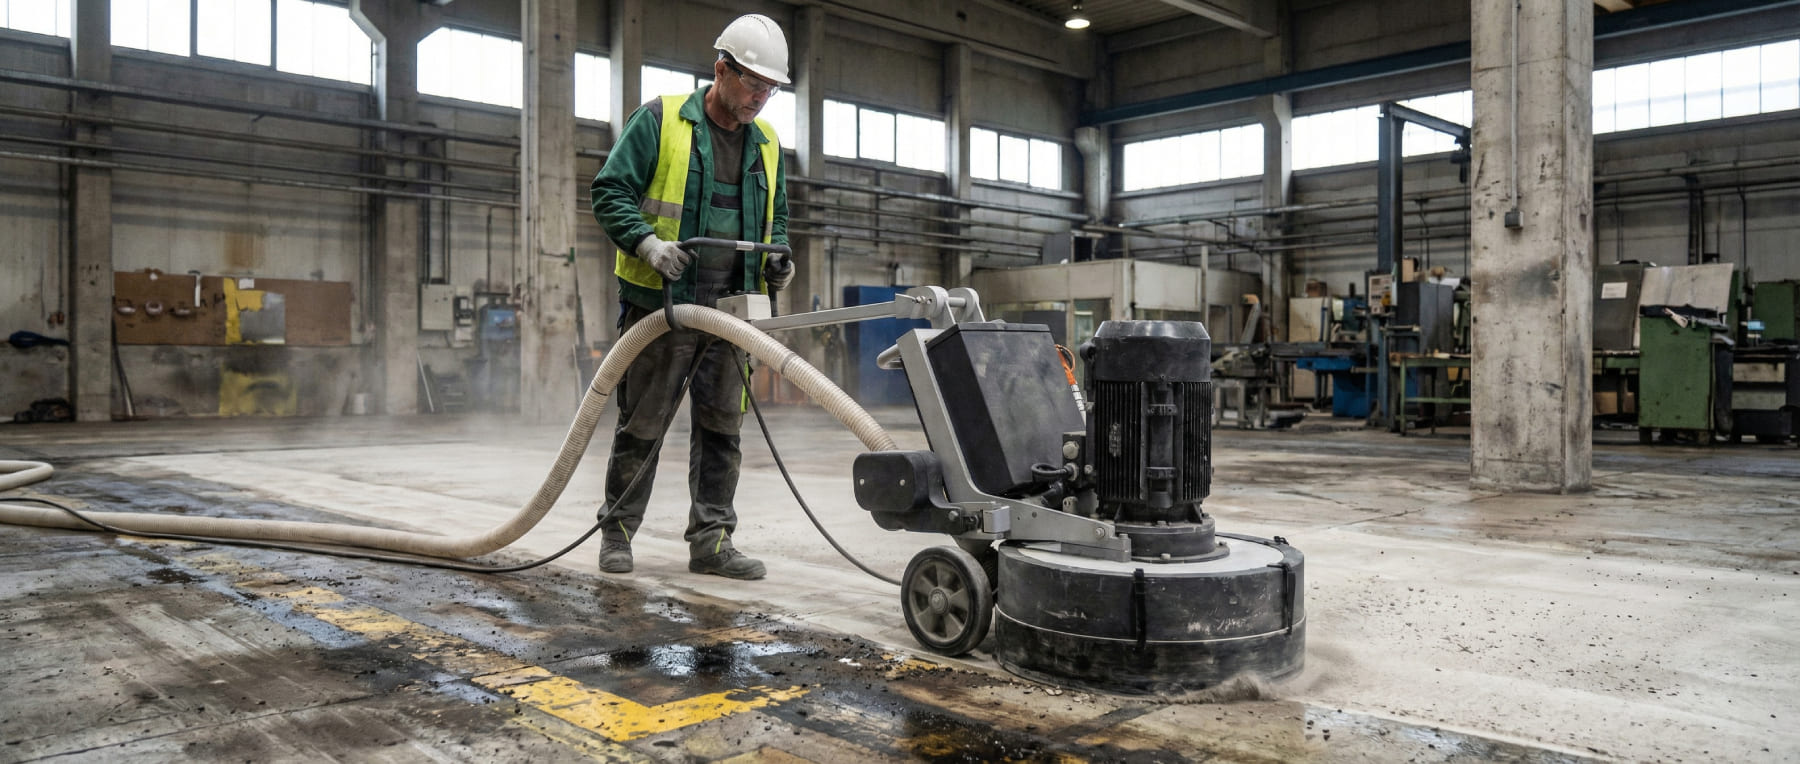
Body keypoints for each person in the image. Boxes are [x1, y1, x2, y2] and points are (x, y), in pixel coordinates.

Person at [588, 13, 795, 581]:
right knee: (644, 423)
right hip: (662, 303)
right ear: (720, 70)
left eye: (770, 88)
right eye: (752, 82)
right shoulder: (660, 120)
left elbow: (776, 216)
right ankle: (618, 533)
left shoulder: (768, 143)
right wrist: (647, 244)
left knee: (723, 429)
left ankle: (712, 542)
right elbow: (609, 190)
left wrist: (778, 259)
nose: (760, 97)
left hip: (733, 310)